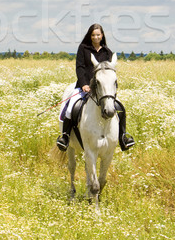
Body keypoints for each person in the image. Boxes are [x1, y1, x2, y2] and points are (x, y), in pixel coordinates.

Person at [56, 23, 135, 152]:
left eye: (98, 35)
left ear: (102, 35)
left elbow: (109, 73)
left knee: (120, 108)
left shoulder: (107, 52)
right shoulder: (83, 48)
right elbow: (80, 67)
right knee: (70, 108)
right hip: (84, 86)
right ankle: (65, 137)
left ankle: (123, 137)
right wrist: (84, 84)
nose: (96, 37)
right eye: (93, 35)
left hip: (102, 90)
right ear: (90, 36)